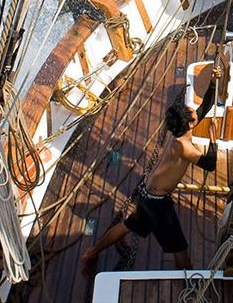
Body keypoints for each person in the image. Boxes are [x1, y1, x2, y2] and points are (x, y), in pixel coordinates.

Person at [80, 71, 220, 271]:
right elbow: (210, 164)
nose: (196, 112)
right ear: (190, 124)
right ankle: (189, 282)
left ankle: (90, 253)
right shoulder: (183, 146)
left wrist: (213, 83)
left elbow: (204, 109)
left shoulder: (180, 133)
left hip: (148, 193)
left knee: (130, 225)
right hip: (158, 203)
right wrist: (213, 138)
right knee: (178, 246)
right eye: (193, 113)